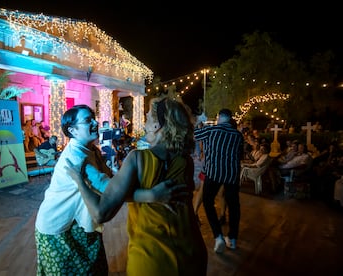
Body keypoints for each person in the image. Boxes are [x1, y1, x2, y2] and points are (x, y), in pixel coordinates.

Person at [66, 98, 208, 275]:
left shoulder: (138, 159)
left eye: (148, 118)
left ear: (157, 126)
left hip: (152, 260)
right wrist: (149, 195)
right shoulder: (185, 161)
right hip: (193, 254)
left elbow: (100, 213)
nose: (144, 123)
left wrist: (79, 180)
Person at [34, 104, 179, 275]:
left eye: (93, 118)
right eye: (88, 120)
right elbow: (111, 189)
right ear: (72, 130)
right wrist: (151, 195)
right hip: (58, 227)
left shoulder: (90, 150)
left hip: (76, 224)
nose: (95, 123)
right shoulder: (76, 157)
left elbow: (112, 183)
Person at [194, 108, 244, 253]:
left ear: (219, 117)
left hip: (213, 173)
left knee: (208, 202)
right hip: (232, 175)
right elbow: (240, 154)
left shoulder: (211, 130)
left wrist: (198, 122)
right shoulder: (238, 135)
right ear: (230, 118)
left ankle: (218, 236)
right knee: (234, 206)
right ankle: (233, 239)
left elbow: (194, 134)